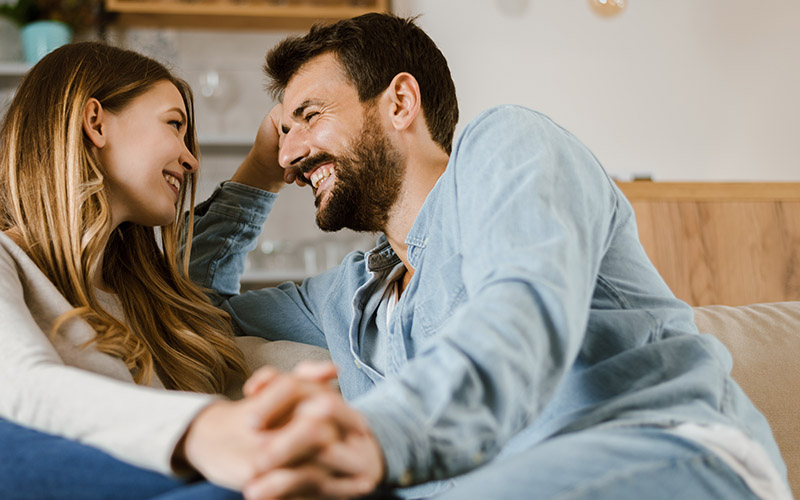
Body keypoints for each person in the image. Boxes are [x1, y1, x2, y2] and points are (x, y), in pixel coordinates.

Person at [188, 13, 793, 500]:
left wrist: (378, 436)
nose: (292, 151)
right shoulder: (344, 298)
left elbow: (520, 315)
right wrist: (258, 173)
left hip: (668, 456)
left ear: (400, 103)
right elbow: (188, 308)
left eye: (310, 117)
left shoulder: (507, 146)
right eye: (283, 133)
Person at [0, 41, 358, 500]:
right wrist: (208, 429)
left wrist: (265, 168)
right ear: (95, 121)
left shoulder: (141, 303)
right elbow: (25, 388)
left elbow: (201, 294)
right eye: (174, 125)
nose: (191, 158)